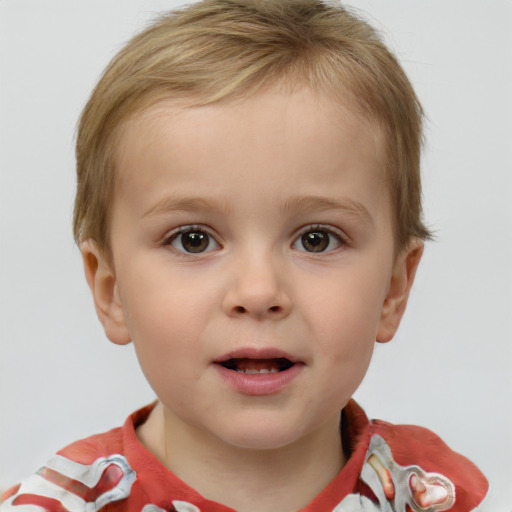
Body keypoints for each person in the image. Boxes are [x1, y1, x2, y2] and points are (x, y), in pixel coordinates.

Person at [0, 1, 489, 511]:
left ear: (394, 288)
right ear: (111, 289)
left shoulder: (432, 494)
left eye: (316, 239)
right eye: (193, 239)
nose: (258, 292)